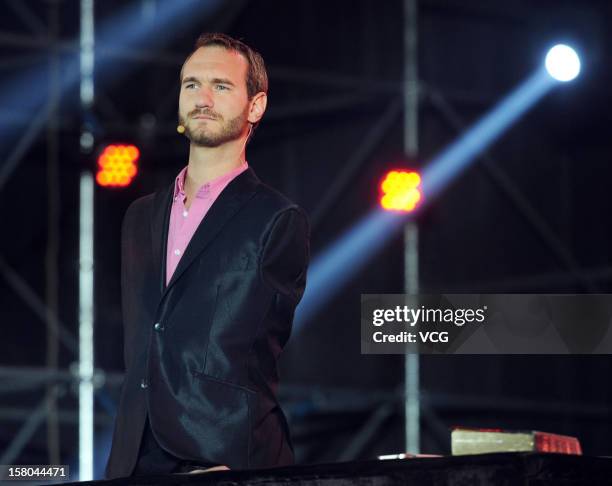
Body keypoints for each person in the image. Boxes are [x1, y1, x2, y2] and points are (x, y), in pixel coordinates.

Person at [105, 33, 310, 479]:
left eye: (221, 86)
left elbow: (254, 350)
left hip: (221, 455)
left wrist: (227, 456)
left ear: (255, 106)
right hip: (134, 455)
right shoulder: (140, 217)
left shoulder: (276, 218)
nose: (202, 97)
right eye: (191, 84)